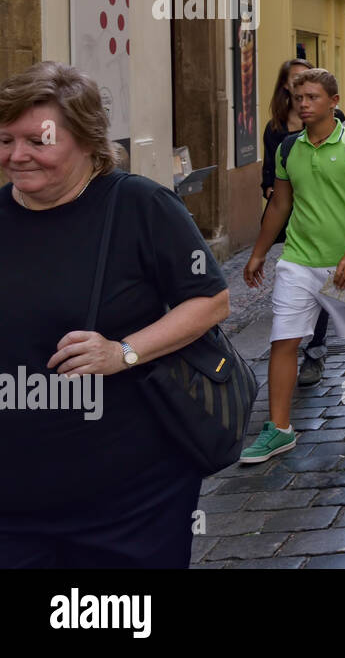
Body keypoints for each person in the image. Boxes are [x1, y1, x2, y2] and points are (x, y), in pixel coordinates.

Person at [0, 62, 230, 567]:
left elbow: (211, 300)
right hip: (13, 500)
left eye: (38, 141)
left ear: (87, 139)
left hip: (130, 496)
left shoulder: (138, 206)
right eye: (5, 140)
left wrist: (122, 351)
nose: (17, 156)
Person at [242, 68, 345, 463]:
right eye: (298, 98)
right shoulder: (288, 149)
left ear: (333, 102)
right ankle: (279, 429)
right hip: (298, 261)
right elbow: (280, 204)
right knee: (284, 338)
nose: (303, 104)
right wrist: (260, 251)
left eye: (311, 97)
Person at [262, 57, 340, 387]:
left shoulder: (341, 130)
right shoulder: (277, 128)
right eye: (297, 84)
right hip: (293, 218)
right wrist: (270, 189)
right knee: (300, 283)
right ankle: (304, 351)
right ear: (287, 87)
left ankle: (321, 350)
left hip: (334, 229)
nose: (302, 92)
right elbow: (270, 172)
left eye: (310, 87)